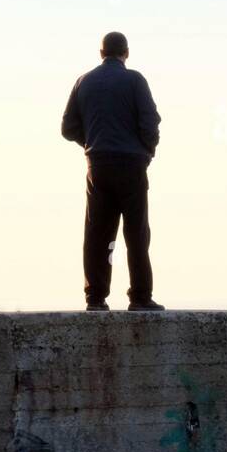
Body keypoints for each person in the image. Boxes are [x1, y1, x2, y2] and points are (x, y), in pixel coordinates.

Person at [61, 32, 165, 311]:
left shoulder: (84, 81)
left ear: (101, 52)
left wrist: (92, 142)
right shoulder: (135, 80)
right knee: (136, 233)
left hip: (98, 164)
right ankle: (140, 298)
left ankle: (95, 297)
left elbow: (67, 128)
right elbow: (149, 123)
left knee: (98, 233)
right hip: (131, 164)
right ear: (126, 53)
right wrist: (147, 151)